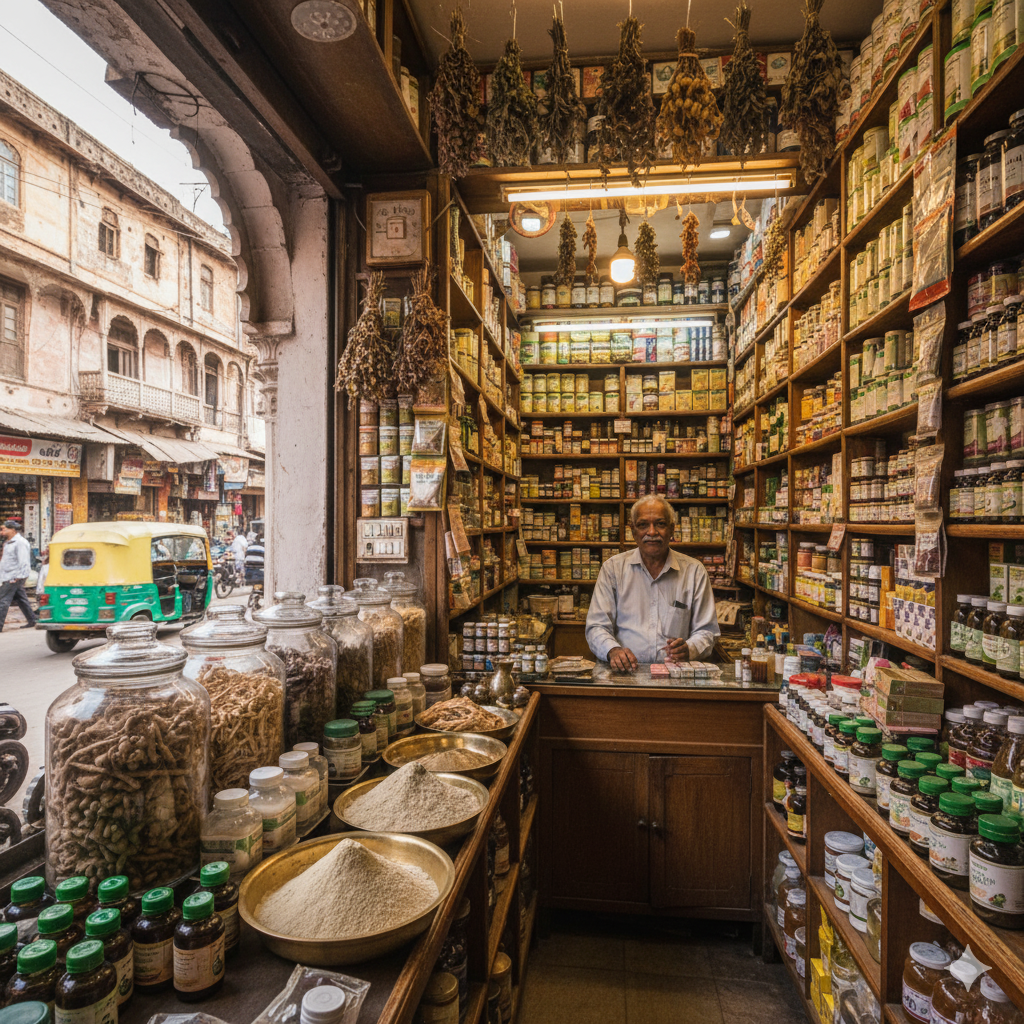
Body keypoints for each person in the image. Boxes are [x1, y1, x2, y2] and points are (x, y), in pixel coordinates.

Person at [585, 495, 720, 672]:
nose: (652, 532)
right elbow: (596, 626)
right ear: (633, 531)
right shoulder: (613, 569)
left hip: (676, 676)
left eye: (660, 524)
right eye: (643, 525)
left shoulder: (694, 571)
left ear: (672, 529)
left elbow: (707, 631)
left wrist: (690, 648)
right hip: (624, 676)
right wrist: (613, 650)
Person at [0, 520, 37, 630]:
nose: (1, 532)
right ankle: (32, 619)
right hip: (8, 575)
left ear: (12, 530)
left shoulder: (20, 542)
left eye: (3, 529)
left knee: (3, 600)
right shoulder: (8, 542)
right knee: (21, 599)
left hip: (13, 576)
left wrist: (19, 576)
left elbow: (24, 561)